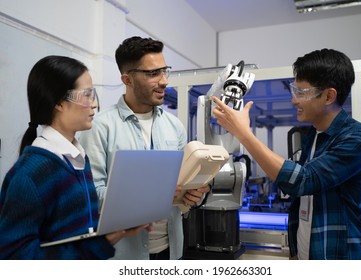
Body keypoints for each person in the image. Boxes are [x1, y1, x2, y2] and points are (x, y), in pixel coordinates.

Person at [212, 48, 361, 260]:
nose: (294, 100)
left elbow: (302, 181)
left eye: (301, 92)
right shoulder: (312, 136)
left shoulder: (358, 139)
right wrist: (297, 251)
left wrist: (245, 135)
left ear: (328, 96)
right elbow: (303, 201)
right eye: (294, 90)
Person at [0, 55, 148, 260]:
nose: (94, 104)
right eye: (87, 95)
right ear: (59, 103)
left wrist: (115, 230)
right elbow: (14, 258)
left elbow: (78, 232)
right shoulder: (31, 174)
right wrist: (97, 246)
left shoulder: (77, 159)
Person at [79, 36, 210, 260]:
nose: (164, 81)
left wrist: (195, 194)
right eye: (153, 73)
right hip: (124, 255)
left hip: (172, 251)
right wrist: (154, 194)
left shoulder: (174, 126)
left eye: (165, 71)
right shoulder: (100, 127)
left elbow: (180, 185)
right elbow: (91, 196)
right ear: (127, 79)